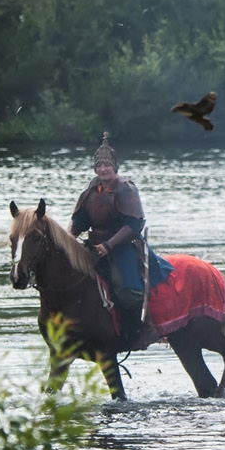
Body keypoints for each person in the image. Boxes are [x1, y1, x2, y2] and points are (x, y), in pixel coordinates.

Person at [69, 132, 172, 346]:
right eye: (99, 165)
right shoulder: (91, 191)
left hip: (123, 246)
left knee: (127, 289)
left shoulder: (125, 189)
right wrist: (68, 239)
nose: (103, 169)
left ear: (115, 166)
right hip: (94, 246)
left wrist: (109, 245)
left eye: (107, 165)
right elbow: (80, 220)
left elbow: (134, 224)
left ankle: (141, 330)